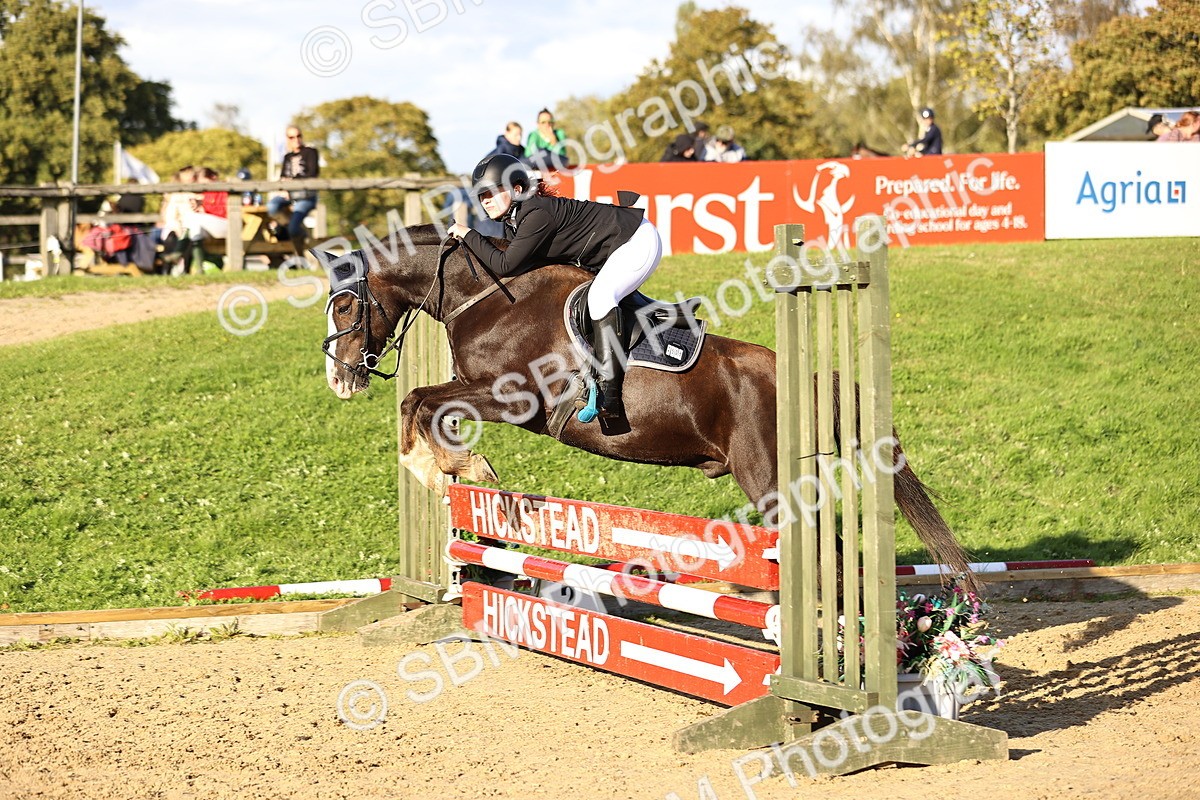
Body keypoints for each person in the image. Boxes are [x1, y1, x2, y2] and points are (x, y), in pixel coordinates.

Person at [446, 154, 663, 420]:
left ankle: (611, 395)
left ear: (517, 189)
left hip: (636, 241)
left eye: (492, 191)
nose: (486, 200)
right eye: (481, 195)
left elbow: (504, 265)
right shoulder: (516, 223)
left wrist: (469, 234)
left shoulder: (537, 214)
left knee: (601, 297)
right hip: (614, 248)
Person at [267, 125, 320, 257]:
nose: (296, 139)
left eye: (298, 136)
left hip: (306, 196)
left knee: (293, 227)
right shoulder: (287, 157)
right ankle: (292, 229)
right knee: (272, 206)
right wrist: (285, 187)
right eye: (292, 137)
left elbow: (312, 173)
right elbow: (283, 177)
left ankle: (300, 239)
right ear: (287, 139)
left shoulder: (310, 152)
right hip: (289, 195)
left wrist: (291, 180)